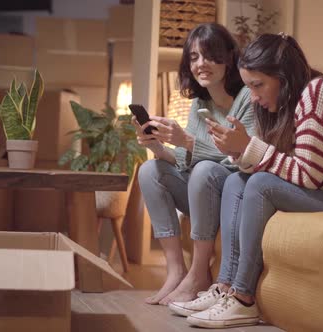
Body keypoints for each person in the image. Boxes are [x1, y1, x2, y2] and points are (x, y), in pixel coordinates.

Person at [177, 33, 323, 328]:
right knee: (236, 181)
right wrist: (240, 151)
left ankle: (243, 299)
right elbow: (285, 165)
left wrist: (247, 147)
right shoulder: (292, 103)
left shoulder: (320, 93)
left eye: (257, 85)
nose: (253, 96)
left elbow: (307, 174)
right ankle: (224, 287)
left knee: (259, 184)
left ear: (283, 77)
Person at [133, 23, 255, 306]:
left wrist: (188, 142)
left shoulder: (248, 97)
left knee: (205, 170)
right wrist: (158, 147)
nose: (201, 64)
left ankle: (199, 272)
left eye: (210, 55)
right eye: (194, 57)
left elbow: (240, 158)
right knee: (150, 170)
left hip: (231, 193)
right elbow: (188, 164)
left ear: (229, 57)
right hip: (202, 192)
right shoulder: (199, 103)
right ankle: (175, 270)